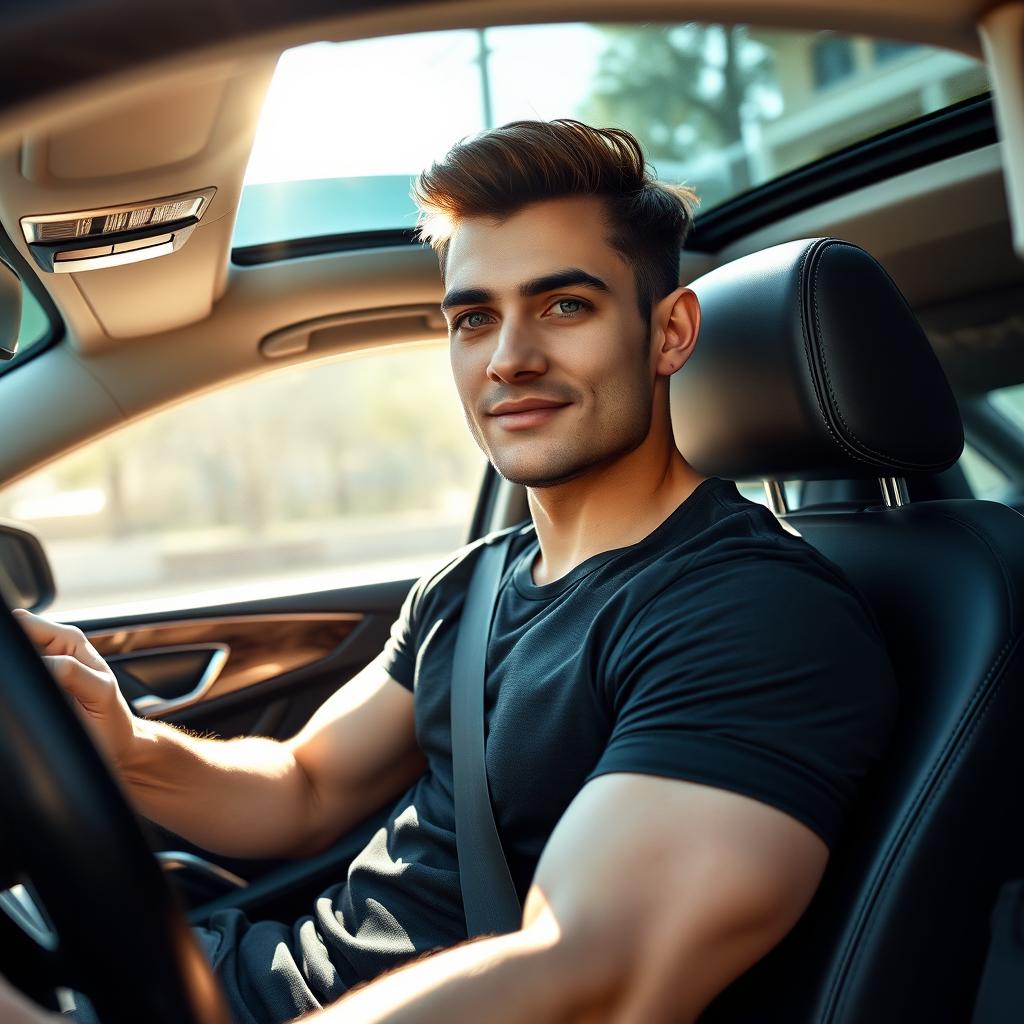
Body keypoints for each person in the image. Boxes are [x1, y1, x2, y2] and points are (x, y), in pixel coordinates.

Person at [0, 119, 898, 1024]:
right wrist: (124, 748)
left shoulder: (755, 614)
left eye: (564, 306)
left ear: (669, 332)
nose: (509, 358)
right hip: (239, 978)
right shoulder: (472, 585)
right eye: (475, 318)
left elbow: (591, 973)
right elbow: (308, 786)